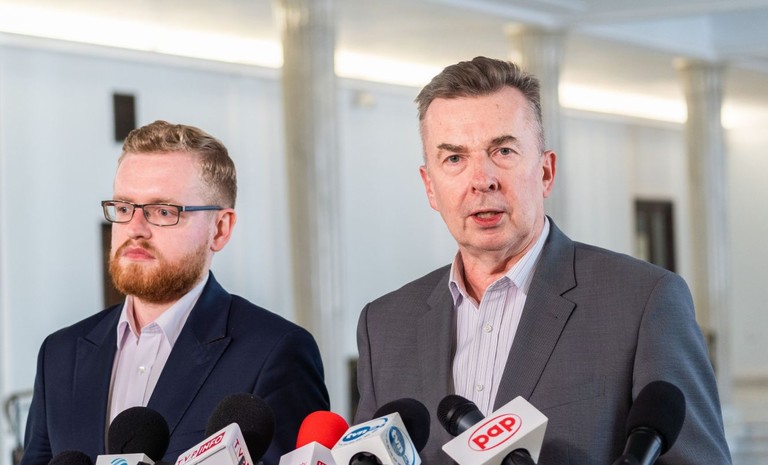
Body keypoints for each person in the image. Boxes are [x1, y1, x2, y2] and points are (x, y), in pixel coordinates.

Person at [354, 57, 731, 464]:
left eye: (503, 151)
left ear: (546, 172)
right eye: (455, 159)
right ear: (430, 186)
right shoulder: (384, 326)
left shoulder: (642, 302)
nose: (482, 180)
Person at [21, 121, 330, 465]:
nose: (134, 229)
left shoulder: (275, 352)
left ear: (220, 229)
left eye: (163, 211)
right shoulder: (60, 355)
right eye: (123, 208)